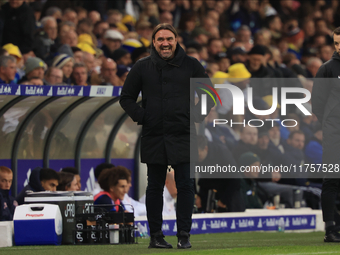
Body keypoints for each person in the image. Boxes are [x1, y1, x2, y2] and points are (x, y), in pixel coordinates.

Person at [120, 23, 213, 249]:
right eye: (160, 39)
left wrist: (195, 116)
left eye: (169, 39)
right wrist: (144, 117)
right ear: (153, 42)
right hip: (154, 134)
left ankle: (184, 236)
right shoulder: (142, 67)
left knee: (186, 185)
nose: (165, 43)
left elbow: (209, 94)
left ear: (176, 40)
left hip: (183, 133)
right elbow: (126, 98)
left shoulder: (191, 64)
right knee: (154, 187)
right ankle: (156, 236)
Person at [312, 26, 340, 242]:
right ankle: (330, 229)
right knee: (331, 179)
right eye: (336, 43)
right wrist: (330, 126)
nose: (339, 48)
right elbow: (318, 105)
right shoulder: (327, 69)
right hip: (334, 133)